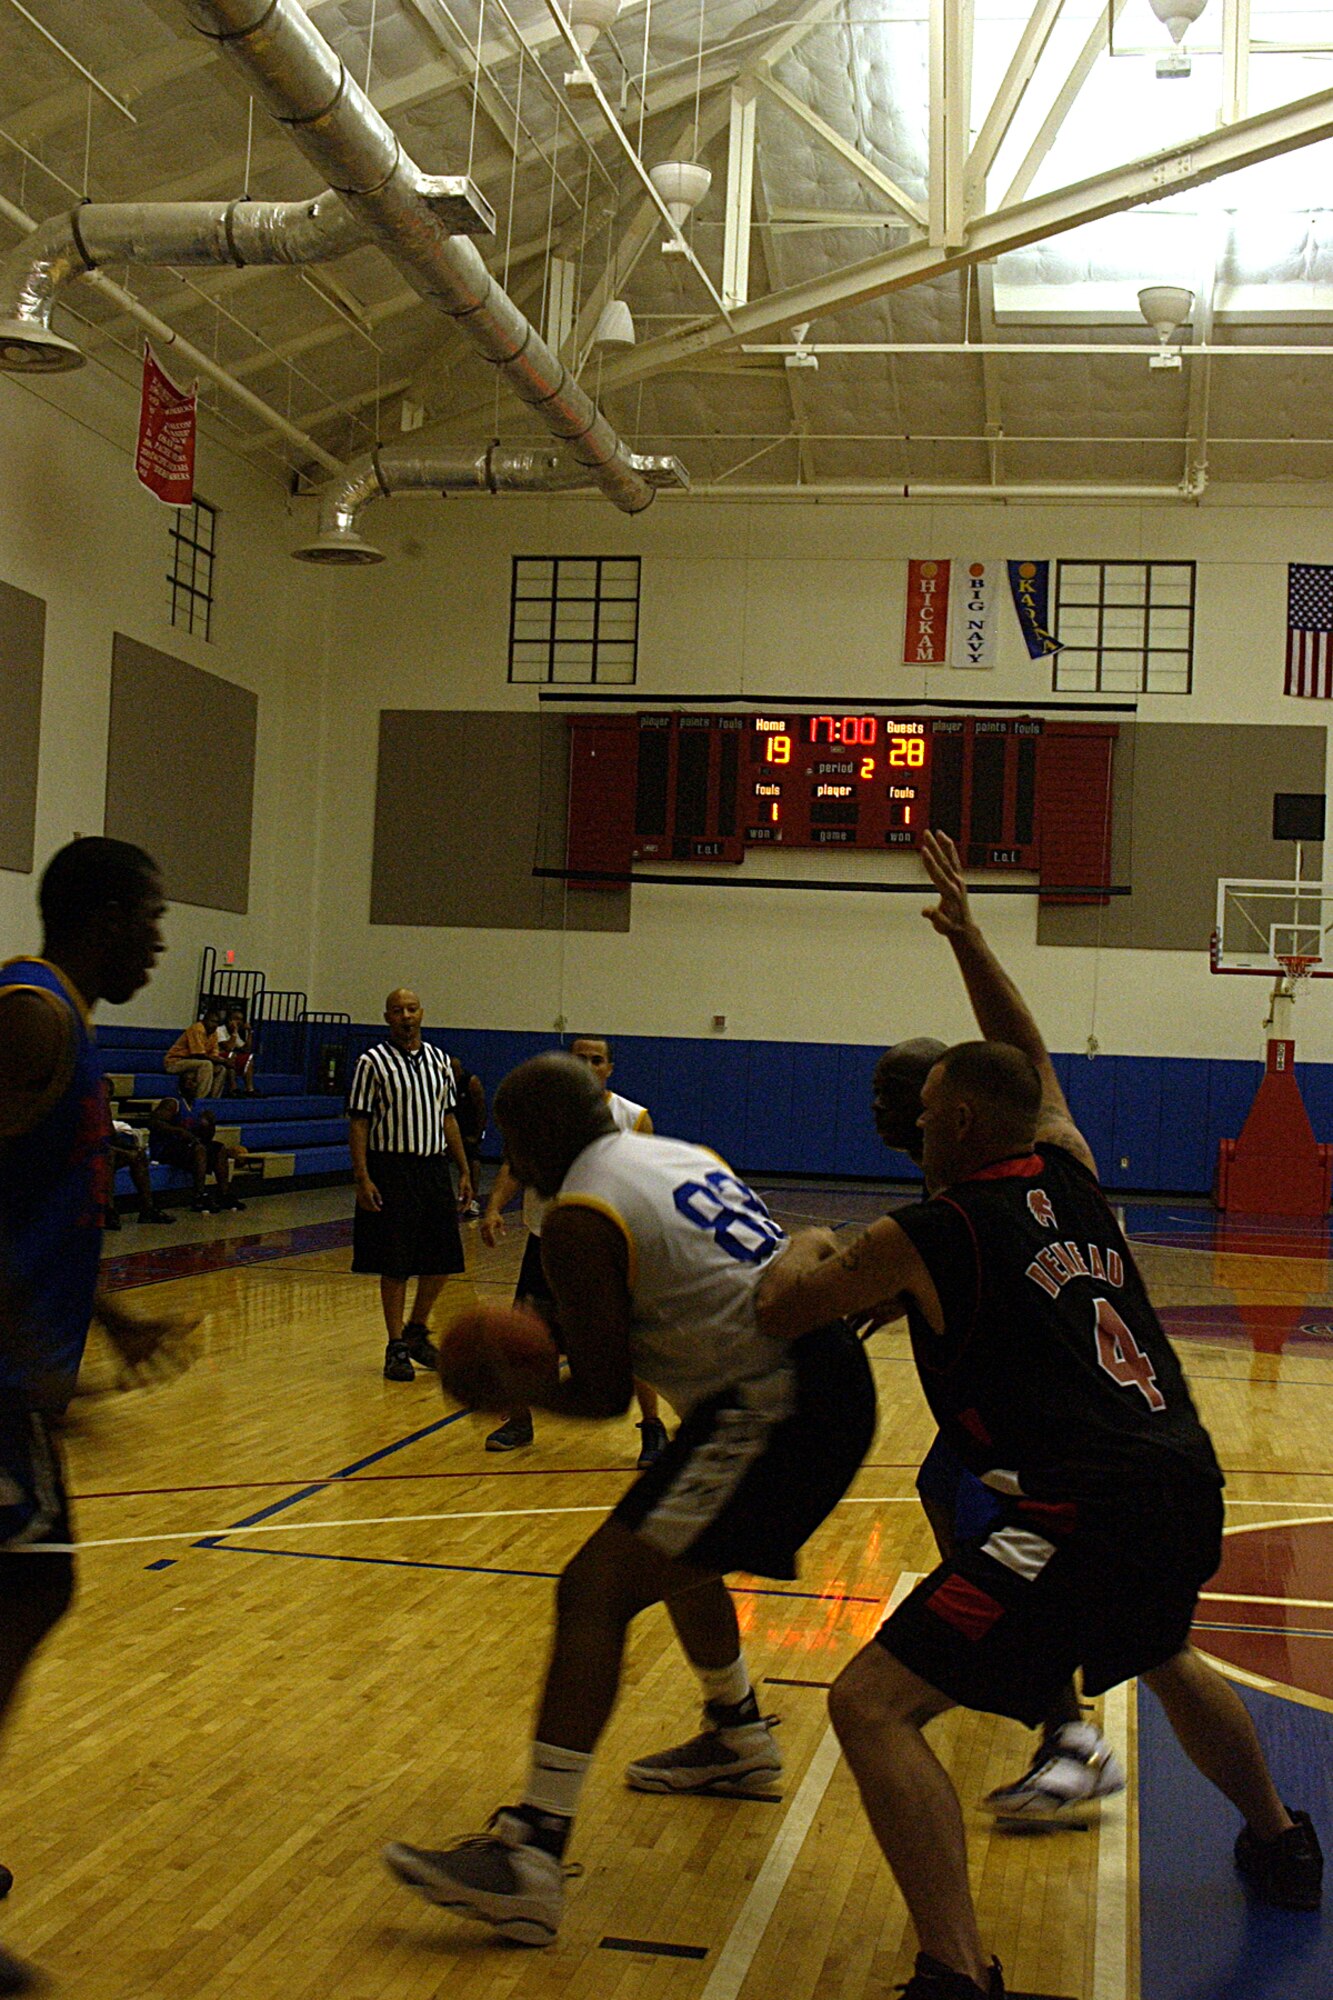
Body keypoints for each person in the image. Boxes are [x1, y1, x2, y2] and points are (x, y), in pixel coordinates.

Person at [754, 830, 1323, 2000]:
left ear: (957, 1123)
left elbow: (783, 1308)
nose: (911, 1124)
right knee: (1159, 1647)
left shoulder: (925, 1229)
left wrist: (808, 1236)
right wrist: (968, 935)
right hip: (1181, 1474)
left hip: (1081, 1506)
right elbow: (1032, 1060)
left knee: (870, 1703)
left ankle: (956, 1970)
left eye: (925, 1111)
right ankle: (1280, 1839)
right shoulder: (1068, 1168)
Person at [383, 1053, 877, 1945]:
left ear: (530, 1141)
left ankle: (531, 1850)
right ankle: (734, 1734)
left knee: (594, 1588)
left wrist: (511, 1390)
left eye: (507, 1136)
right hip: (809, 1383)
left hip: (774, 1405)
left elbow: (607, 1394)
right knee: (673, 1542)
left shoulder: (578, 1216)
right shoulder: (679, 1155)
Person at [1, 837, 198, 1996]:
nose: (162, 942)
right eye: (153, 917)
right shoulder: (29, 1014)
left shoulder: (58, 1019)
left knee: (35, 1586)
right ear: (107, 915)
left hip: (16, 1378)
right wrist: (26, 1354)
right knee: (23, 1591)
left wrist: (109, 1319)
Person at [871, 1039, 1125, 1826]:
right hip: (1014, 1396)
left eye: (898, 1094)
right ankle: (1031, 1679)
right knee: (940, 1488)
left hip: (1051, 1411)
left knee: (1011, 1551)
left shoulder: (1004, 1175)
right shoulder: (953, 1170)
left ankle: (1071, 1734)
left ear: (950, 1112)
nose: (884, 1109)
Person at [480, 1036, 669, 1465]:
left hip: (609, 1247)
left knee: (633, 1340)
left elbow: (647, 1177)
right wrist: (494, 1207)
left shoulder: (632, 1117)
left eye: (596, 1059)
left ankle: (653, 1428)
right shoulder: (540, 1113)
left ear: (609, 1068)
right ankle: (518, 1420)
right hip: (546, 1239)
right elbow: (515, 1166)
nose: (587, 1064)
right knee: (525, 1335)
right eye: (578, 1058)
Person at [348, 989, 473, 1382]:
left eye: (412, 1009)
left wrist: (465, 1170)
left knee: (443, 1260)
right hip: (391, 1168)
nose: (406, 1016)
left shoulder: (440, 1060)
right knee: (395, 1261)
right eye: (398, 1010)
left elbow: (448, 1118)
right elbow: (359, 1122)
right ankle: (395, 1344)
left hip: (433, 1168)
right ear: (387, 1017)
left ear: (422, 1013)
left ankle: (416, 1330)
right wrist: (362, 1175)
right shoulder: (371, 1062)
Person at [148, 1071, 247, 1213]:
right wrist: (179, 1131)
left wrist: (209, 1126)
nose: (191, 1084)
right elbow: (153, 1122)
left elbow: (204, 1138)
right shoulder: (172, 1102)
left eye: (194, 1081)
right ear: (180, 1085)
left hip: (186, 1148)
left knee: (219, 1148)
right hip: (165, 1149)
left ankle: (223, 1194)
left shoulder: (196, 1106)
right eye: (187, 1081)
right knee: (199, 1149)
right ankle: (199, 1195)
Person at [103, 1081, 175, 1229]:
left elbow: (112, 1137)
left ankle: (147, 1209)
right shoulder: (84, 1109)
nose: (106, 1097)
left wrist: (133, 1148)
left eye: (109, 1094)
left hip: (104, 1151)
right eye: (104, 1092)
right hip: (85, 1155)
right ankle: (108, 1211)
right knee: (108, 1155)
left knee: (139, 1155)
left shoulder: (104, 1109)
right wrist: (124, 1152)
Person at [448, 1055, 487, 1217]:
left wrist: (478, 1133)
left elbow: (481, 1109)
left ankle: (473, 1199)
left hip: (469, 1129)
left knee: (473, 1161)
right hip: (450, 1127)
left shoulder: (471, 1082)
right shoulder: (444, 1082)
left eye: (455, 1070)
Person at [163, 1005, 227, 1098]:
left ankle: (213, 1100)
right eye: (212, 1021)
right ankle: (200, 1098)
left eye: (217, 1023)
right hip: (175, 1062)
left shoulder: (214, 1034)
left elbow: (214, 1054)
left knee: (221, 1069)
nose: (214, 1025)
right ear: (204, 1020)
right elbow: (198, 1054)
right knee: (206, 1064)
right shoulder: (197, 1029)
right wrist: (223, 1060)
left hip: (194, 1064)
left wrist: (222, 1061)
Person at [217, 1006, 256, 1096]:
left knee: (249, 1058)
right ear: (229, 1020)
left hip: (229, 1058)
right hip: (217, 1056)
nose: (239, 1022)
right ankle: (233, 1089)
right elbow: (228, 1048)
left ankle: (249, 1089)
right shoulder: (219, 1030)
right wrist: (234, 1032)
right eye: (236, 1019)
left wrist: (250, 1032)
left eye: (241, 1020)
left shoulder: (235, 1033)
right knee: (231, 1055)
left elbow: (246, 1049)